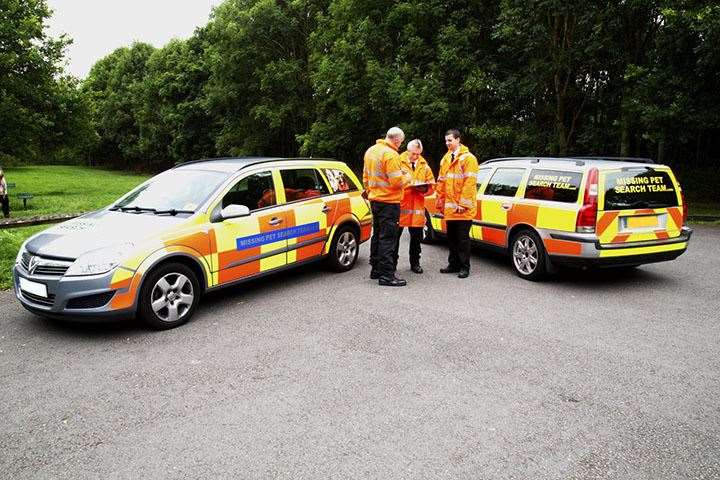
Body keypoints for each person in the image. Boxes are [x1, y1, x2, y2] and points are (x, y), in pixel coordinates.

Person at [363, 127, 411, 286]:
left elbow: (365, 177)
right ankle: (386, 275)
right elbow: (397, 182)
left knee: (377, 235)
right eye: (401, 142)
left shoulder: (371, 150)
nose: (401, 145)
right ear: (397, 140)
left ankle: (375, 270)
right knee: (388, 238)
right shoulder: (391, 154)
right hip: (389, 202)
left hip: (375, 200)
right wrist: (408, 177)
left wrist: (371, 192)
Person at [435, 129, 478, 278]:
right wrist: (439, 202)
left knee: (463, 239)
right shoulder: (445, 159)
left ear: (458, 140)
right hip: (450, 208)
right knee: (452, 238)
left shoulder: (468, 158)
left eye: (450, 140)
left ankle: (464, 267)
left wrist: (463, 204)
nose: (447, 143)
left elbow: (469, 184)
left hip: (463, 209)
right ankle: (453, 265)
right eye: (446, 140)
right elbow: (441, 182)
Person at [393, 139, 435, 274]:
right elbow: (393, 183)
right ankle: (392, 263)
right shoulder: (398, 162)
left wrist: (424, 189)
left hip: (417, 208)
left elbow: (432, 186)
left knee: (416, 239)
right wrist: (408, 186)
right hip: (400, 206)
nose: (416, 156)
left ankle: (415, 263)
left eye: (418, 154)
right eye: (414, 154)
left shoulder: (424, 165)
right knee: (394, 239)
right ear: (407, 150)